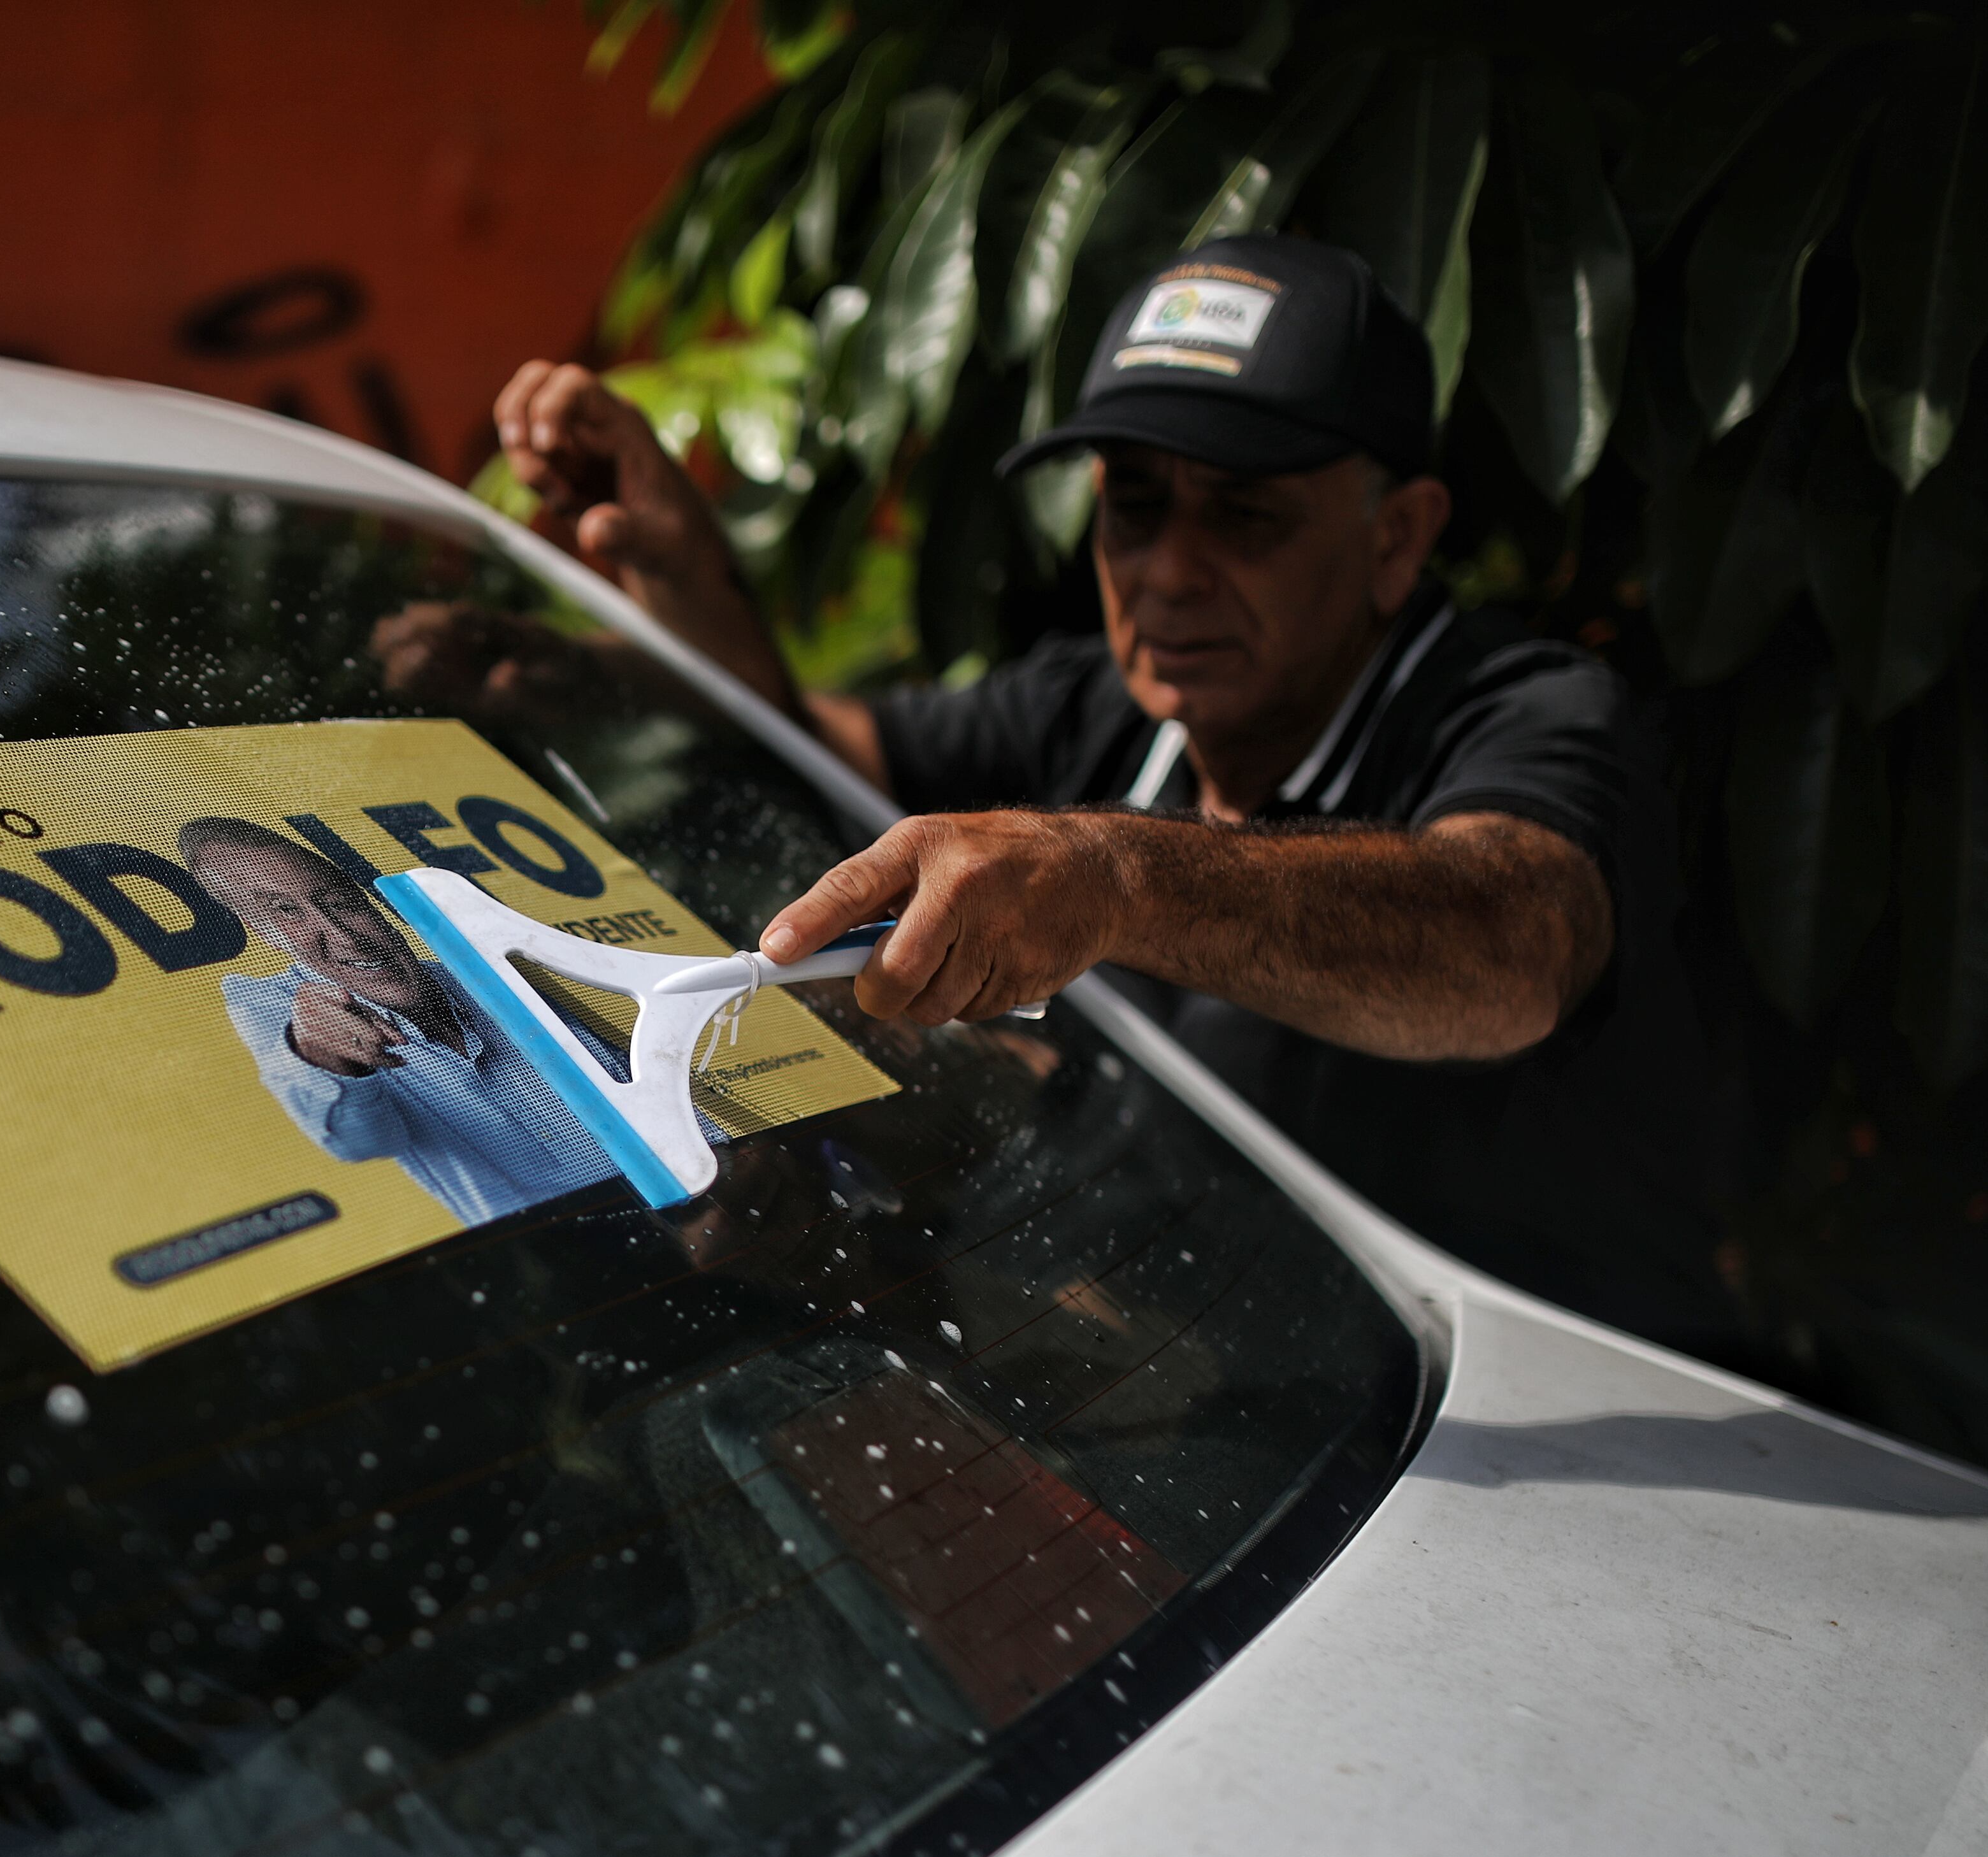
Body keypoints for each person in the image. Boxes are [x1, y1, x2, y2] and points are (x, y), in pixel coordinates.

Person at [471, 233, 1736, 1356]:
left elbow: (1509, 943)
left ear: (1398, 536)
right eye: (1135, 507)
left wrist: (1120, 879)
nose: (1168, 572)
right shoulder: (1103, 705)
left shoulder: (1531, 712)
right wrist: (678, 582)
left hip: (1562, 1432)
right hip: (1219, 1404)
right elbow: (814, 748)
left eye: (1246, 515)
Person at [178, 816, 630, 1227]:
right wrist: (326, 1061)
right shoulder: (277, 1009)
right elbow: (361, 1142)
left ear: (374, 903)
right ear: (260, 932)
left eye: (340, 903)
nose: (341, 935)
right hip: (547, 1248)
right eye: (285, 911)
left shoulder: (488, 974)